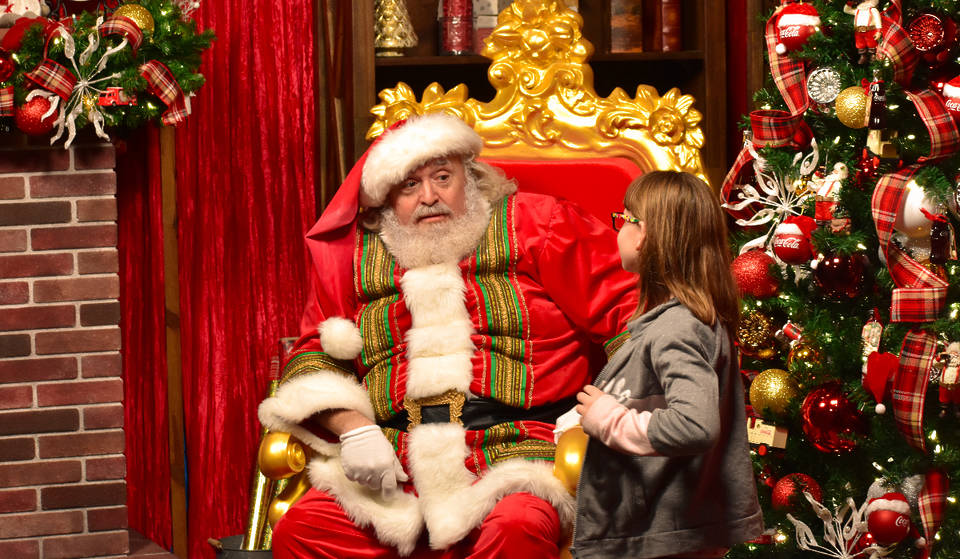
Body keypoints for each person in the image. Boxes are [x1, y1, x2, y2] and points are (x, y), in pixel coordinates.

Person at [258, 112, 638, 558]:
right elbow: (312, 355)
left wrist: (605, 407)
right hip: (393, 461)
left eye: (443, 177)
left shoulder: (538, 224)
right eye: (409, 185)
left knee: (515, 528)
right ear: (385, 201)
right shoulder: (354, 256)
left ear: (470, 176)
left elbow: (633, 317)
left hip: (517, 447)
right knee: (302, 531)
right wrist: (355, 430)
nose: (429, 197)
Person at [570, 171, 763, 558]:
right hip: (668, 528)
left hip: (665, 536)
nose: (618, 228)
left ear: (645, 235)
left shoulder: (678, 328)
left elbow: (695, 424)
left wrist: (610, 421)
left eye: (624, 218)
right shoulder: (680, 320)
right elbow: (651, 397)